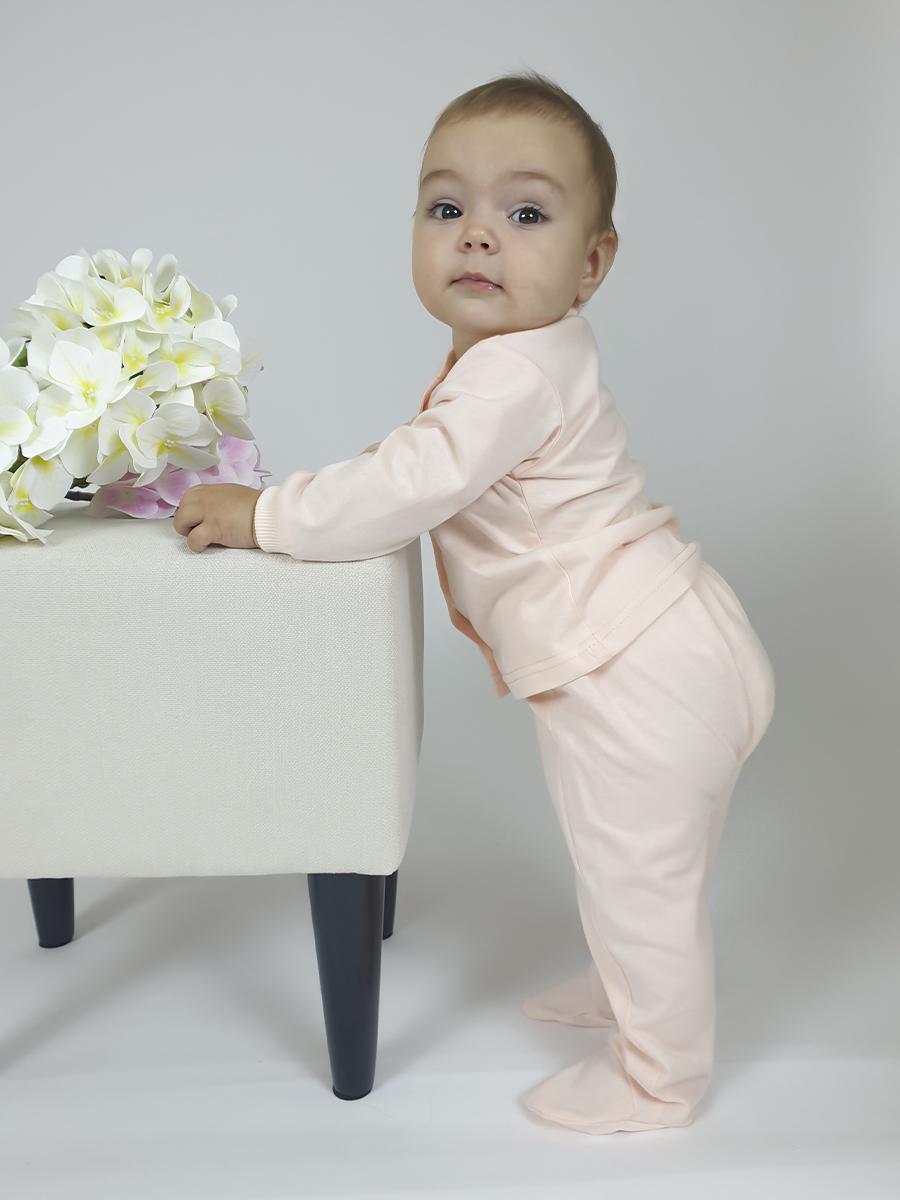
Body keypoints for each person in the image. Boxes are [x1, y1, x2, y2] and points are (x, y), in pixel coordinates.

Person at [174, 70, 776, 1136]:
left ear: (593, 263)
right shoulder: (531, 356)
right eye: (446, 207)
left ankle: (659, 1080)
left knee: (636, 878)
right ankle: (629, 983)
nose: (478, 235)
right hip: (678, 632)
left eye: (526, 214)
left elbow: (406, 485)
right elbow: (426, 458)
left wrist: (265, 514)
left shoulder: (512, 375)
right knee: (644, 868)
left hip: (630, 667)